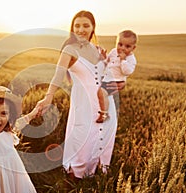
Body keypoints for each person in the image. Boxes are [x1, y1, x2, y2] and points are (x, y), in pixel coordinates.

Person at [35, 10, 126, 180]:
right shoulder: (69, 49)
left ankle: (93, 176)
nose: (81, 29)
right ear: (72, 28)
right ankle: (74, 177)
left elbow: (107, 75)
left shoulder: (98, 50)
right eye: (77, 25)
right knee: (83, 138)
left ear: (93, 28)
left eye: (85, 25)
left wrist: (119, 82)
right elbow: (58, 74)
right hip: (84, 103)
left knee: (103, 135)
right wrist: (48, 96)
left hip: (106, 104)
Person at [96, 30, 137, 123]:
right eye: (120, 44)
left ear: (133, 48)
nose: (122, 48)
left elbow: (127, 72)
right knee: (99, 92)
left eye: (127, 46)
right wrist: (103, 57)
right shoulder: (114, 51)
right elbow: (107, 62)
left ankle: (104, 113)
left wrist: (123, 60)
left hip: (116, 81)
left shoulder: (131, 59)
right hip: (107, 78)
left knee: (101, 92)